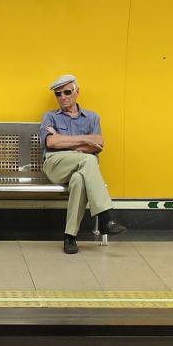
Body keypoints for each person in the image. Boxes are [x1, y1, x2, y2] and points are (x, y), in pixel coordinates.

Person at [40, 73, 126, 254]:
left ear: (77, 92)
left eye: (67, 92)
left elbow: (99, 144)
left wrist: (65, 140)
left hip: (80, 167)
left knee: (79, 179)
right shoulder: (50, 117)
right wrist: (85, 140)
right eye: (58, 94)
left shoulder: (92, 118)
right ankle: (105, 217)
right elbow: (51, 143)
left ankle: (69, 236)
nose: (62, 97)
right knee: (89, 159)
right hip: (56, 165)